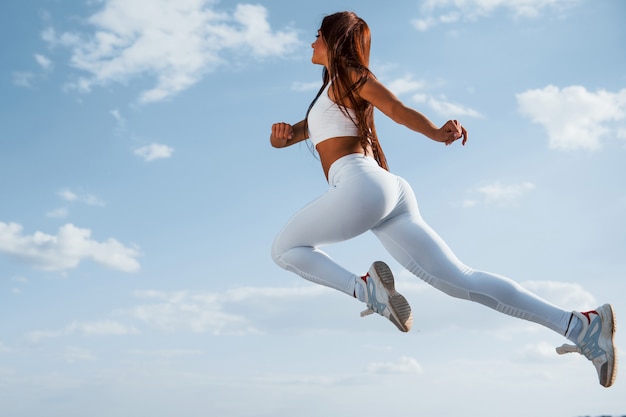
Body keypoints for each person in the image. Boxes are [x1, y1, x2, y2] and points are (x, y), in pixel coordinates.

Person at [269, 11, 617, 387]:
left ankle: (365, 289)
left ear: (334, 42)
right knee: (458, 280)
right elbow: (292, 137)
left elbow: (397, 110)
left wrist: (436, 132)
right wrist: (282, 135)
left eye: (318, 35)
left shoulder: (352, 77)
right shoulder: (330, 93)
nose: (311, 42)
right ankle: (579, 325)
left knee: (285, 249)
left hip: (361, 187)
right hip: (387, 193)